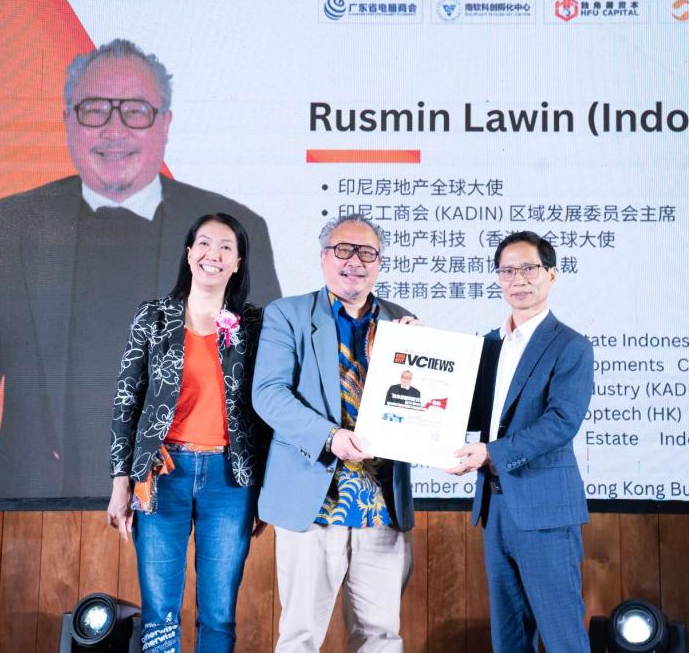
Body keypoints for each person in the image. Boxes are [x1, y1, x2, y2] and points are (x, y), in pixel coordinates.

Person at [0, 39, 281, 499]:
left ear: (166, 124)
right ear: (67, 120)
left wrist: (268, 493)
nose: (114, 130)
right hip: (31, 501)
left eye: (136, 111)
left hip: (188, 490)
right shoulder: (12, 223)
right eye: (94, 109)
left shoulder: (235, 229)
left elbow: (267, 381)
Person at [252, 215, 417, 653]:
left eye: (367, 253)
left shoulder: (402, 322)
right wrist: (330, 436)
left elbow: (418, 406)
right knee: (301, 636)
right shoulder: (287, 314)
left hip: (380, 503)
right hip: (313, 499)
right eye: (344, 250)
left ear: (379, 263)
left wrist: (418, 355)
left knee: (381, 635)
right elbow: (268, 394)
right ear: (324, 257)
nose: (355, 261)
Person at [107, 213, 266, 653]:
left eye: (226, 247)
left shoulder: (255, 325)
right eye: (204, 243)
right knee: (160, 612)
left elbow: (270, 407)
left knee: (219, 614)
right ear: (189, 253)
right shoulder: (153, 316)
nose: (213, 254)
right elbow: (126, 401)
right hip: (162, 475)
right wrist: (120, 482)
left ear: (238, 262)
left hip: (230, 480)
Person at [448, 231, 594, 653]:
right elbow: (464, 411)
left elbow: (562, 422)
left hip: (544, 510)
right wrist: (416, 344)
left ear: (552, 275)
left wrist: (491, 453)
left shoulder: (570, 345)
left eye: (529, 269)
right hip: (494, 508)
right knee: (509, 638)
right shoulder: (488, 345)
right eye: (508, 271)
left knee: (563, 637)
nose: (518, 279)